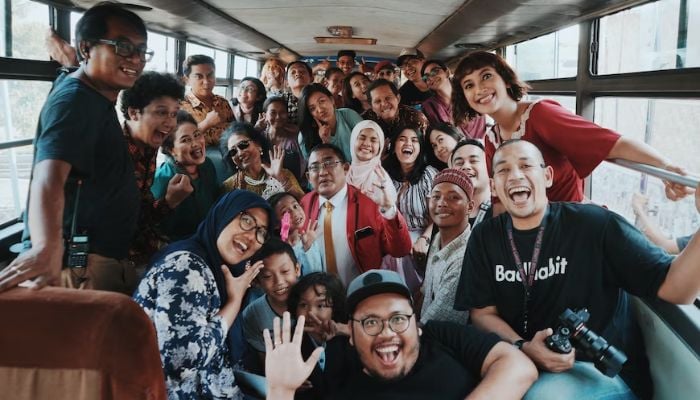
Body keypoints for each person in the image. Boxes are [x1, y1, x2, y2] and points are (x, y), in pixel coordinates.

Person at [455, 139, 700, 399]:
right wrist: (523, 347)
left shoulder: (595, 226)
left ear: (547, 176)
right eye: (503, 170)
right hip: (522, 362)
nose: (515, 175)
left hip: (600, 372)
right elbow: (482, 312)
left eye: (526, 165)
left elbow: (676, 289)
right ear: (494, 185)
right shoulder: (485, 237)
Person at [1, 3, 148, 294]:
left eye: (142, 50)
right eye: (122, 46)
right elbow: (49, 176)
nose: (136, 58)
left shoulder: (87, 91)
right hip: (80, 269)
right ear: (86, 48)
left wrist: (69, 60)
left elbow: (73, 72)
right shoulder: (75, 102)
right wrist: (46, 247)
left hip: (99, 260)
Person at [452, 50, 690, 205]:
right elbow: (501, 203)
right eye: (469, 85)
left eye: (486, 76)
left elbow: (612, 143)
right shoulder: (492, 138)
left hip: (571, 225)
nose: (479, 89)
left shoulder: (541, 115)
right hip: (531, 232)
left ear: (504, 78)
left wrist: (665, 166)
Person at [264, 269, 538, 400]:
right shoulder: (336, 365)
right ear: (352, 333)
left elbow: (517, 365)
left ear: (416, 324)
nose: (386, 333)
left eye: (397, 319)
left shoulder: (440, 336)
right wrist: (280, 391)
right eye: (370, 322)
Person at [133, 190, 271, 399]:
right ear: (223, 215)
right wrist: (233, 303)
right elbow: (180, 364)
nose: (252, 236)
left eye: (261, 232)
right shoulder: (187, 268)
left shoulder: (216, 269)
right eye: (246, 220)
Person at [301, 144, 412, 286]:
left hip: (361, 294)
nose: (322, 172)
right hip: (319, 299)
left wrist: (388, 209)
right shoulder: (304, 205)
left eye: (329, 163)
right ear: (308, 177)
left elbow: (400, 250)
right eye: (315, 167)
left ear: (346, 168)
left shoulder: (369, 204)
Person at [119, 71, 192, 267]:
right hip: (114, 255)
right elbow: (124, 224)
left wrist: (170, 201)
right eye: (161, 112)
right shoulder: (113, 154)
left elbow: (143, 216)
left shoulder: (148, 149)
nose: (170, 123)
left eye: (174, 114)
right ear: (134, 113)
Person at [382, 126, 438, 291]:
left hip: (420, 234)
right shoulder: (386, 175)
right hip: (390, 235)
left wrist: (424, 239)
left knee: (403, 252)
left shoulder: (428, 174)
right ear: (393, 146)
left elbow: (436, 216)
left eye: (414, 140)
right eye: (402, 139)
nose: (408, 143)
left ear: (420, 149)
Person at [151, 111, 220, 241]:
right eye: (186, 140)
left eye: (197, 135)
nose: (195, 143)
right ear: (172, 150)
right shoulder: (162, 178)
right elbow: (152, 224)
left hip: (210, 237)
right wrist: (170, 201)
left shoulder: (208, 166)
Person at [286, 272, 354, 400]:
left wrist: (344, 331)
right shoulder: (289, 341)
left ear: (335, 309)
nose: (311, 312)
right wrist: (290, 385)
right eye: (303, 305)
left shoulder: (348, 337)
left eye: (320, 305)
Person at [421, 168, 474, 325]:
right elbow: (425, 294)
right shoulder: (438, 238)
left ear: (470, 207)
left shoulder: (464, 259)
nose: (442, 203)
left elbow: (432, 324)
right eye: (436, 196)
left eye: (453, 197)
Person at [242, 238, 301, 369]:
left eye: (285, 271)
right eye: (268, 276)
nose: (279, 282)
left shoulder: (312, 301)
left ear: (297, 269)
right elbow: (265, 361)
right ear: (257, 281)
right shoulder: (253, 315)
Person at [180, 54, 235, 184]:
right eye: (199, 76)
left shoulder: (223, 102)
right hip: (196, 163)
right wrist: (206, 124)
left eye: (210, 75)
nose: (206, 81)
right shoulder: (181, 106)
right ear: (187, 79)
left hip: (229, 158)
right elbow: (177, 141)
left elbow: (235, 131)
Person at [221, 122, 304, 200]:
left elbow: (306, 204)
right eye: (233, 151)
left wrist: (281, 179)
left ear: (258, 145)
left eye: (243, 145)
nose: (240, 153)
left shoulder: (284, 174)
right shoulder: (229, 186)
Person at [420, 59, 486, 139]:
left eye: (435, 71)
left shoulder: (469, 93)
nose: (430, 77)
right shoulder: (428, 107)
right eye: (426, 77)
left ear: (447, 72)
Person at [298, 83, 363, 162]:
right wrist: (325, 144)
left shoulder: (348, 115)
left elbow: (370, 142)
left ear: (332, 100)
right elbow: (317, 168)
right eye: (312, 108)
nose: (320, 110)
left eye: (322, 101)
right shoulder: (304, 136)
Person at [268, 192, 323, 275]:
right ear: (275, 224)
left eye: (295, 206)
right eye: (285, 212)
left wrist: (308, 248)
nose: (294, 212)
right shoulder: (275, 251)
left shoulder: (309, 240)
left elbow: (317, 276)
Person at [255, 96, 306, 185]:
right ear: (265, 116)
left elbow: (301, 171)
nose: (278, 117)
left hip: (289, 186)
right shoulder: (259, 138)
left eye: (282, 112)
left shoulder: (294, 140)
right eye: (273, 113)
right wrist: (255, 129)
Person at [362, 79, 429, 146]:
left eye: (388, 98)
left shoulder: (416, 119)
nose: (384, 104)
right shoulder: (364, 121)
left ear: (398, 98)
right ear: (372, 106)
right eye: (378, 101)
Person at [346, 120, 398, 206]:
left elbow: (390, 214)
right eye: (362, 138)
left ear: (380, 147)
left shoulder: (381, 179)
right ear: (353, 141)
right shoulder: (344, 174)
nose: (367, 143)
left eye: (373, 140)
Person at [450, 139, 493, 227]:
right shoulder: (446, 211)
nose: (465, 166)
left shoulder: (503, 211)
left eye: (473, 161)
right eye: (459, 163)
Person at [282, 60, 313, 125]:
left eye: (302, 71)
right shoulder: (281, 101)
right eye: (293, 72)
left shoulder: (319, 98)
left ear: (311, 78)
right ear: (287, 83)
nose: (297, 74)